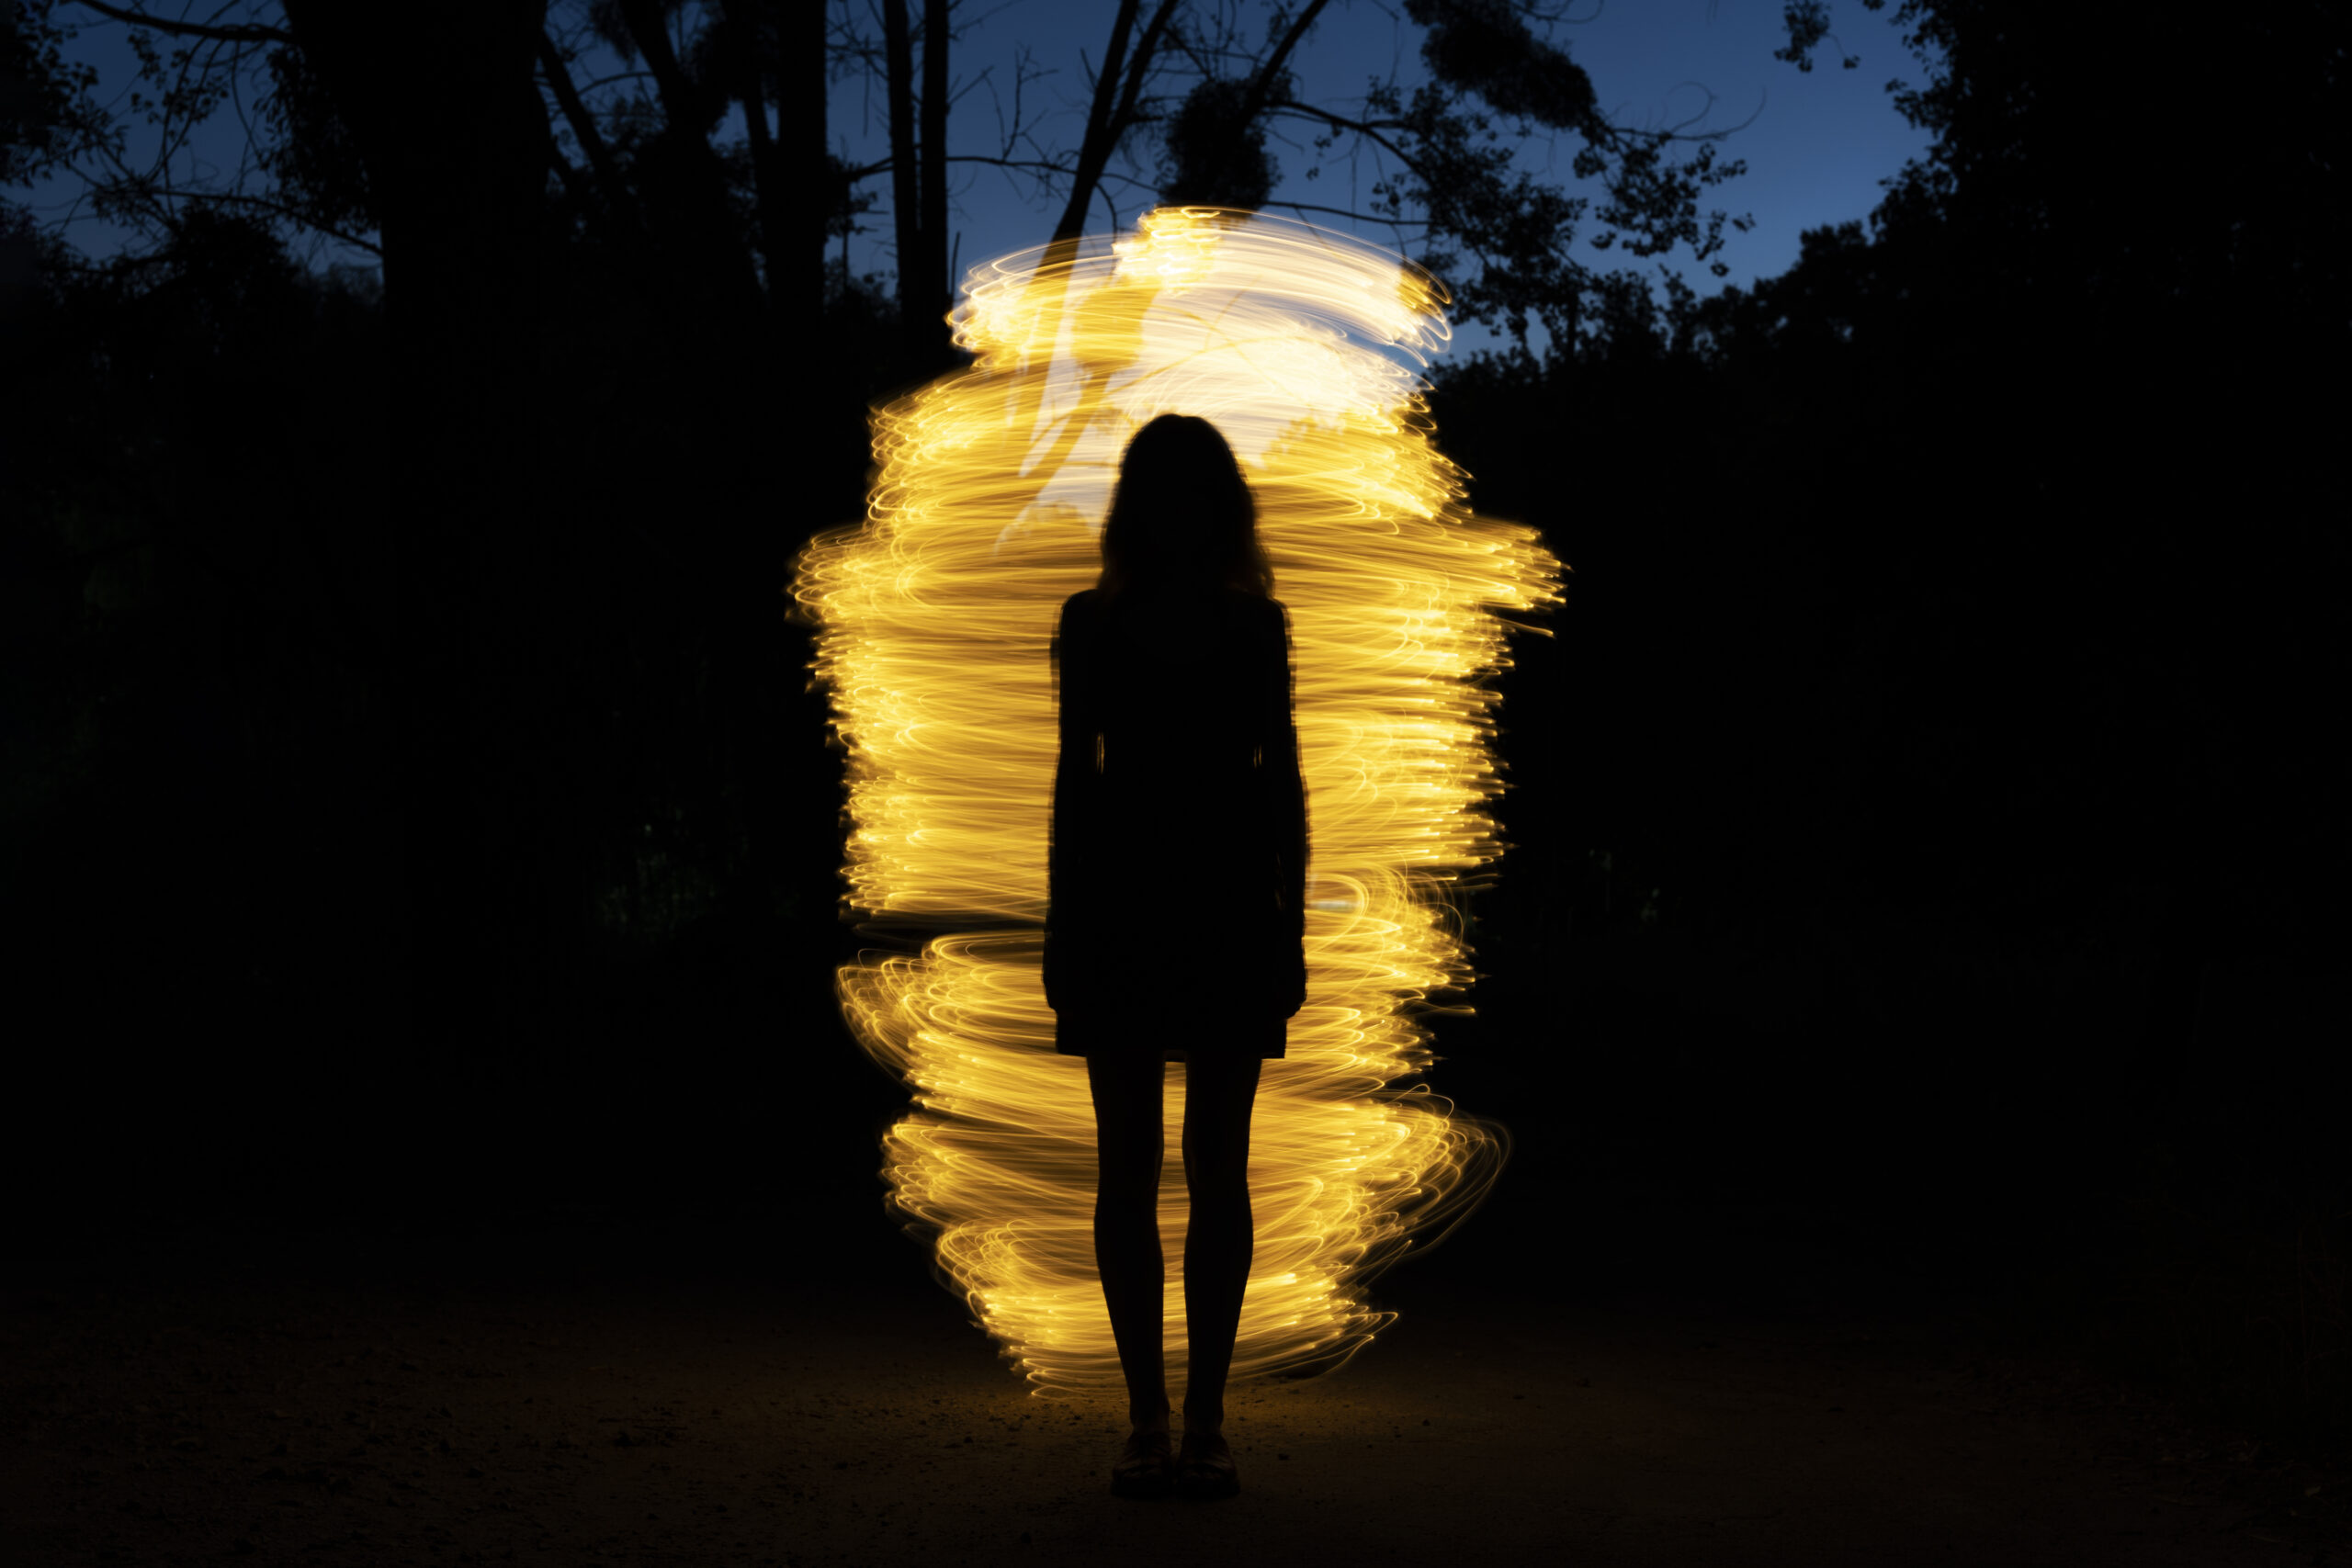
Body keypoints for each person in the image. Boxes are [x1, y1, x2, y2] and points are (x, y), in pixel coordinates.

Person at [1045, 413, 1308, 1502]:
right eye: (1167, 490)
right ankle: (1157, 1417)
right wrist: (1062, 921)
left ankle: (1192, 1418)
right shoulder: (1099, 625)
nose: (1178, 512)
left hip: (1214, 904)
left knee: (1211, 1166)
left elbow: (1284, 776)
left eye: (1188, 491)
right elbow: (1071, 780)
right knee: (1136, 1168)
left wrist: (1288, 918)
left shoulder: (1251, 627)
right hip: (1137, 903)